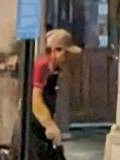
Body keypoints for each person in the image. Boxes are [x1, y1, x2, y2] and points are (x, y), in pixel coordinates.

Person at [30, 28, 79, 160]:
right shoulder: (42, 67)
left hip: (43, 131)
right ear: (55, 50)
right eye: (66, 52)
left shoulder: (56, 70)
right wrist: (49, 125)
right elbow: (36, 101)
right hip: (32, 131)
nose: (69, 57)